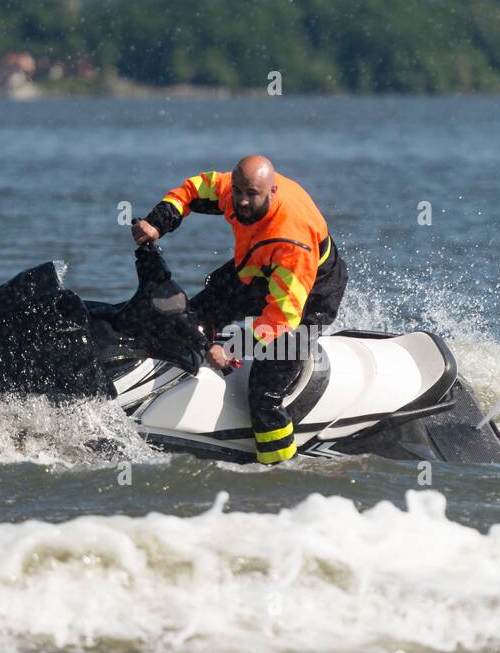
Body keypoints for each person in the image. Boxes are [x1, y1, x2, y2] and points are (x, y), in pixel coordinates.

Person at [132, 155, 347, 464]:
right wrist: (156, 223)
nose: (242, 202)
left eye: (252, 195)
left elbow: (282, 320)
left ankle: (280, 468)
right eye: (238, 192)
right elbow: (193, 189)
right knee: (193, 319)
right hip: (258, 269)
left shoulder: (291, 243)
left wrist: (231, 348)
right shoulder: (236, 192)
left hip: (311, 295)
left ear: (272, 192)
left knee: (264, 395)